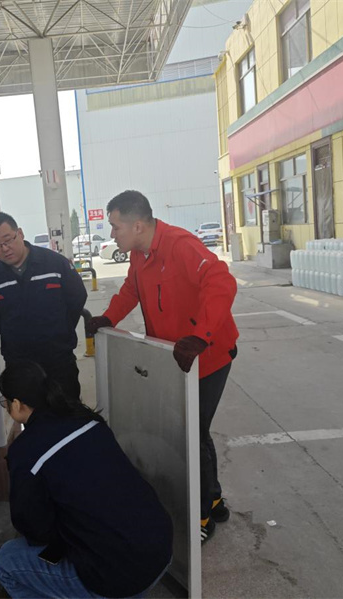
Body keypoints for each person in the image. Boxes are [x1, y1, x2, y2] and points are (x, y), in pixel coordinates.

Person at [86, 190, 239, 544]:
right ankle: (213, 499)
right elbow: (132, 290)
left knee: (190, 434)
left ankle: (201, 515)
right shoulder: (139, 254)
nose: (112, 235)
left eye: (116, 227)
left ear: (138, 226)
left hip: (208, 356)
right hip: (177, 359)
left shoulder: (181, 246)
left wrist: (200, 336)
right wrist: (108, 318)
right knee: (195, 431)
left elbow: (221, 282)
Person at [0, 361, 173, 599]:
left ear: (16, 404)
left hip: (118, 579)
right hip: (161, 550)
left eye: (5, 402)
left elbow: (34, 529)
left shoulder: (26, 451)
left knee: (7, 561)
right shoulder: (86, 419)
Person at [0, 213, 88, 400]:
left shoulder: (55, 263)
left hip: (59, 358)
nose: (4, 248)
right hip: (19, 363)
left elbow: (77, 297)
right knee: (29, 412)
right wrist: (17, 334)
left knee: (67, 409)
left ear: (20, 233)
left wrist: (61, 328)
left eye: (8, 240)